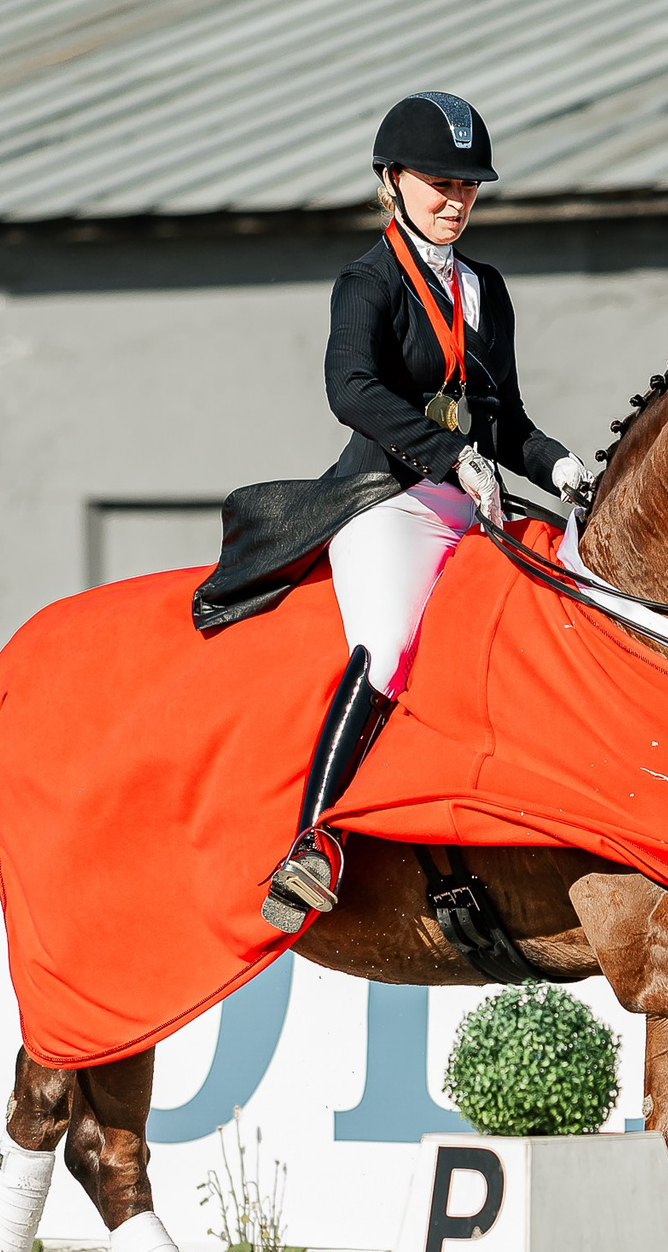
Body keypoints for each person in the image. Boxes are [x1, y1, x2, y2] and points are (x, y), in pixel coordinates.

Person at [189, 91, 589, 930]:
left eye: (469, 184)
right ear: (392, 182)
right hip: (391, 500)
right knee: (389, 648)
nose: (455, 200)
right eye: (438, 181)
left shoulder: (487, 288)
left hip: (473, 494)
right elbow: (352, 389)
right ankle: (315, 843)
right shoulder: (367, 282)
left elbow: (502, 414)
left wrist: (564, 468)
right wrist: (450, 455)